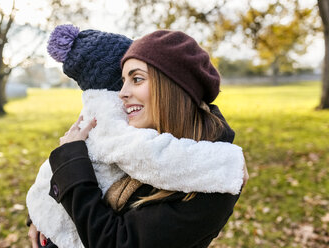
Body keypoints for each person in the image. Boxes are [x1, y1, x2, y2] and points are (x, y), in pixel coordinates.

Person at [27, 26, 248, 248]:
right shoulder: (135, 135)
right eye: (122, 81)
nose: (122, 92)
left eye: (137, 79)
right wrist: (45, 216)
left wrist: (70, 162)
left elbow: (115, 242)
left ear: (173, 87)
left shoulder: (212, 179)